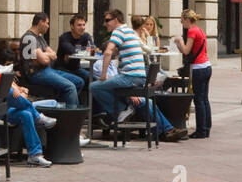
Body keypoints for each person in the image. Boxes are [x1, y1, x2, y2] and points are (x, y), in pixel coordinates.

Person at [89, 51, 185, 142]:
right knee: (145, 102)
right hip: (118, 96)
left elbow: (118, 81)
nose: (118, 52)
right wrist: (131, 93)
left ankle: (166, 131)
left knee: (148, 101)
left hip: (123, 94)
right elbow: (111, 84)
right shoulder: (100, 64)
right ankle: (165, 131)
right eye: (116, 49)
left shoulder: (112, 64)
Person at [90, 9, 148, 125]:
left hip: (130, 76)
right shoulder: (130, 31)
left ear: (116, 20)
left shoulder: (118, 31)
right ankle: (166, 129)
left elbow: (107, 52)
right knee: (147, 102)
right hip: (139, 76)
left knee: (94, 86)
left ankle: (121, 110)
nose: (104, 24)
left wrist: (103, 75)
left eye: (107, 20)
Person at [19, 12, 82, 105]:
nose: (48, 26)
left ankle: (61, 109)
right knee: (70, 87)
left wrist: (43, 54)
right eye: (47, 23)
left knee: (79, 82)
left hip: (47, 70)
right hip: (36, 73)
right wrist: (47, 55)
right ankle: (72, 117)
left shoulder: (40, 38)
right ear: (41, 22)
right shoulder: (29, 38)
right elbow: (44, 61)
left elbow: (54, 55)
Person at [173, 9, 212, 137]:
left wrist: (179, 41)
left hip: (199, 68)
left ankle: (201, 130)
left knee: (198, 99)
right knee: (204, 99)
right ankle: (206, 128)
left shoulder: (192, 31)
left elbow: (186, 50)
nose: (181, 23)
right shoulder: (200, 30)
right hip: (206, 66)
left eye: (182, 20)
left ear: (187, 20)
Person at [55, 13, 95, 84]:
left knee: (93, 79)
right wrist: (85, 49)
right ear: (72, 26)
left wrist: (79, 49)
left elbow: (93, 49)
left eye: (83, 25)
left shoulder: (86, 36)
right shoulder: (64, 37)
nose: (82, 27)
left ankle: (88, 95)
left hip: (76, 68)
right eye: (79, 25)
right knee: (80, 81)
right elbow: (71, 51)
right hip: (62, 69)